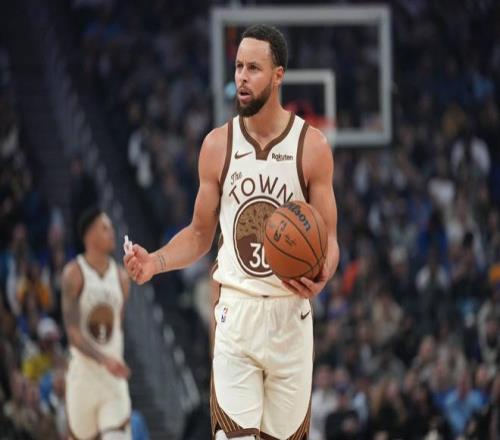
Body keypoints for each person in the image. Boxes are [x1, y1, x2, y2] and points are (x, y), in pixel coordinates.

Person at [124, 24, 339, 440]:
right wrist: (155, 262)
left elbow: (329, 239)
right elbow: (199, 235)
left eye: (253, 68)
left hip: (290, 314)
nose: (242, 76)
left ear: (278, 75)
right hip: (236, 312)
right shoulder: (217, 146)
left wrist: (324, 270)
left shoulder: (311, 147)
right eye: (239, 66)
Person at [62, 207, 132, 440]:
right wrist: (103, 359)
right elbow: (73, 333)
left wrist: (113, 360)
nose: (112, 233)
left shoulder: (122, 278)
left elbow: (117, 328)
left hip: (113, 379)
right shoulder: (74, 274)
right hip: (83, 377)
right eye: (105, 228)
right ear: (89, 235)